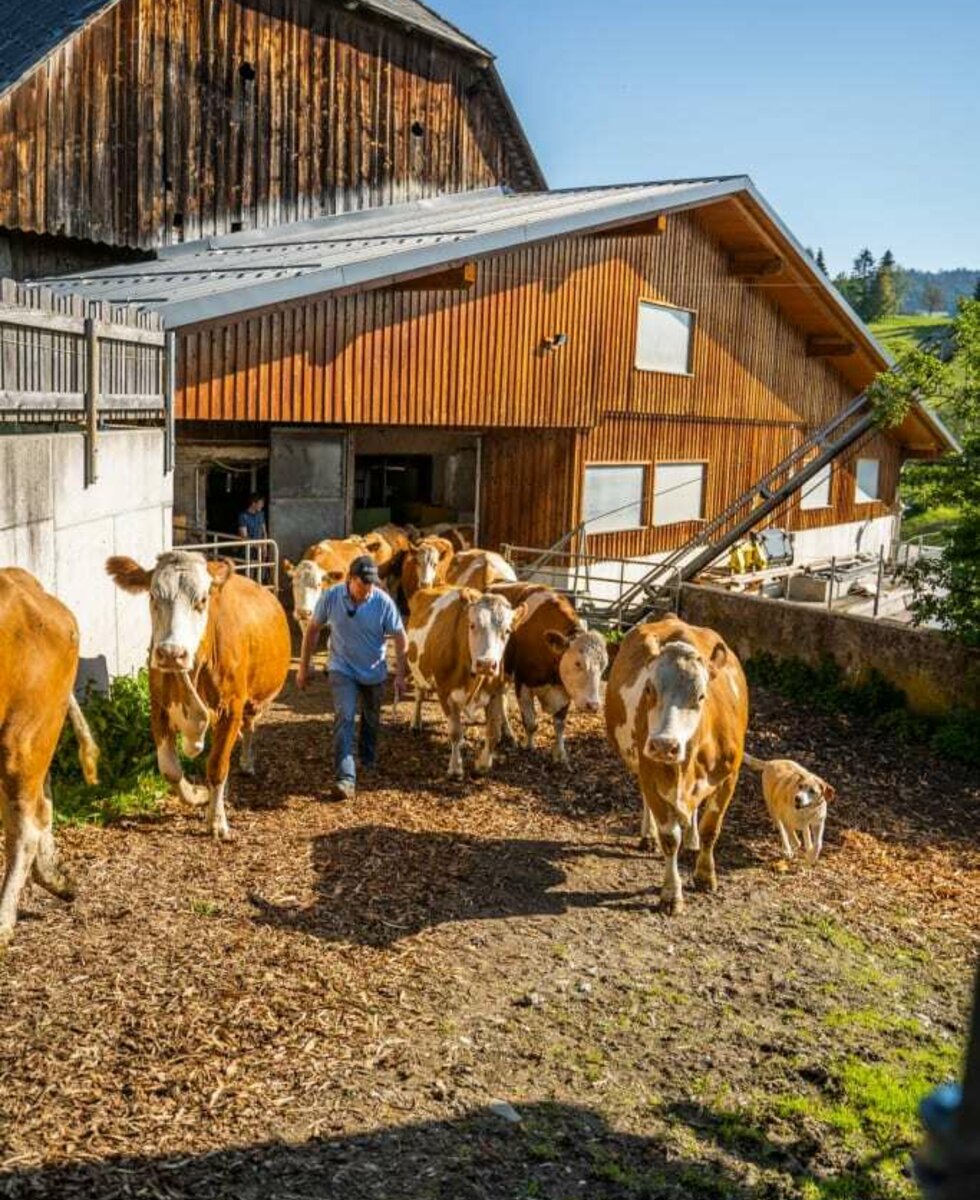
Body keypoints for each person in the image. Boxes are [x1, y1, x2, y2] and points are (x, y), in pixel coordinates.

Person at [296, 554, 408, 801]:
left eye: (371, 583)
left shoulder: (382, 601)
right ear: (350, 579)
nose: (368, 588)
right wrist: (305, 666)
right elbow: (313, 630)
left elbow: (400, 637)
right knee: (344, 716)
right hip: (341, 667)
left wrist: (400, 674)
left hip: (374, 670)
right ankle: (346, 778)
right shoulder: (332, 596)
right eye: (363, 583)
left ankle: (367, 757)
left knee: (371, 717)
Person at [236, 494, 268, 582]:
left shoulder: (261, 515)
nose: (262, 505)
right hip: (248, 548)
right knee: (248, 572)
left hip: (259, 548)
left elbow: (264, 531)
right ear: (253, 504)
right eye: (260, 503)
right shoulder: (243, 516)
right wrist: (256, 545)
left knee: (260, 572)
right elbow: (244, 535)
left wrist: (265, 546)